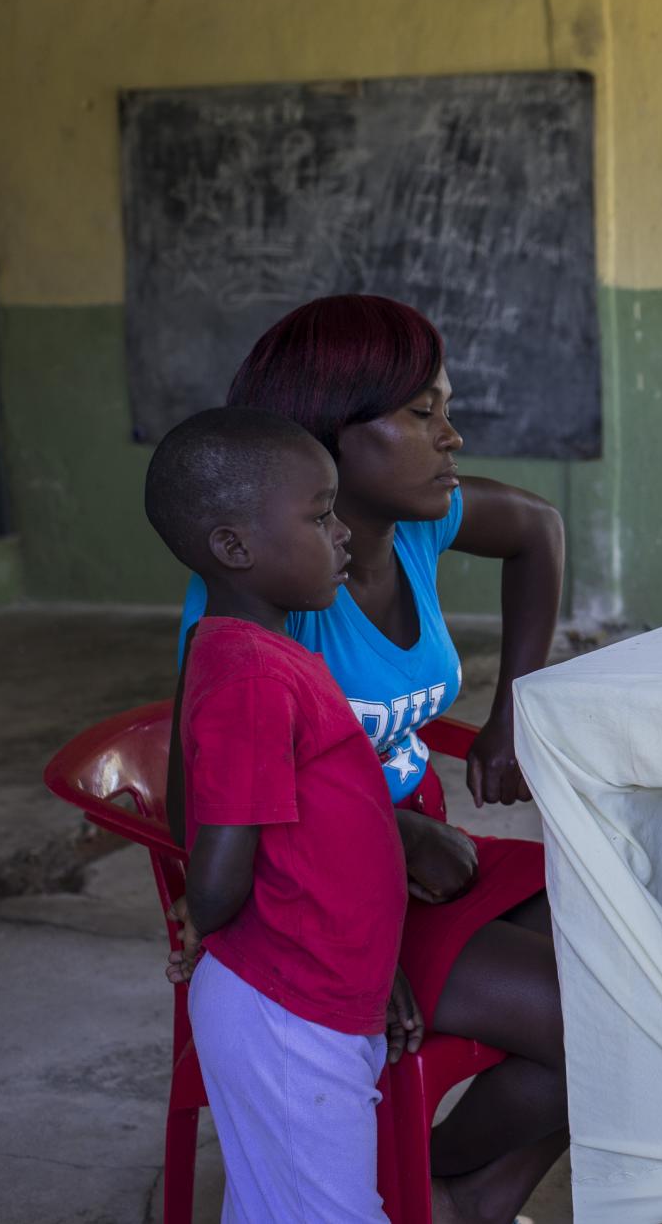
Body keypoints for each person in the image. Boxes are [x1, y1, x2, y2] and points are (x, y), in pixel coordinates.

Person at [170, 295, 569, 1224]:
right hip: (328, 891)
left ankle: (449, 1191)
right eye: (423, 413)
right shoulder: (252, 607)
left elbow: (540, 530)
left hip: (422, 855)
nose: (452, 435)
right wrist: (366, 895)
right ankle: (412, 1188)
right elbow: (214, 822)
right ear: (330, 438)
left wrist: (514, 706)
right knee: (605, 1023)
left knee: (644, 961)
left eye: (446, 407)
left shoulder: (418, 520)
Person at [148, 406, 411, 1222]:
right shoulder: (253, 675)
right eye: (320, 514)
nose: (344, 535)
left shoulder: (248, 652)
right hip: (286, 1011)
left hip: (311, 996)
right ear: (234, 547)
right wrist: (199, 913)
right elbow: (222, 861)